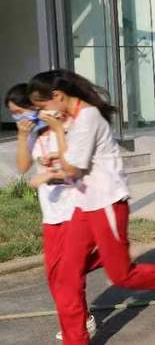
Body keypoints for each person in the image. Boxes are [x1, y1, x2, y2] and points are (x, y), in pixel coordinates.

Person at [28, 70, 155, 343]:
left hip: (107, 203)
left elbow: (73, 167)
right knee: (66, 275)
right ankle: (75, 338)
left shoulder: (87, 117)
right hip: (83, 205)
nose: (40, 113)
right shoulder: (74, 118)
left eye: (42, 106)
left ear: (57, 96)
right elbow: (74, 158)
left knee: (121, 275)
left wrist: (52, 160)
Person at [4, 84, 100, 342]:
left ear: (37, 106)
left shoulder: (69, 125)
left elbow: (75, 162)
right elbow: (23, 167)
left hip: (76, 207)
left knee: (68, 275)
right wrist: (23, 137)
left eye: (20, 111)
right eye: (13, 114)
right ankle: (81, 318)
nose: (19, 117)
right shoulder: (34, 133)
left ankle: (77, 328)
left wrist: (58, 130)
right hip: (52, 212)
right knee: (55, 274)